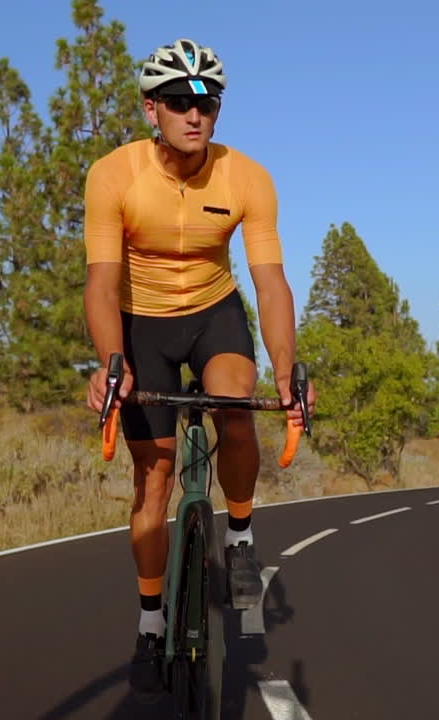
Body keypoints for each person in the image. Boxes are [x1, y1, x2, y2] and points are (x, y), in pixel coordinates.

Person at [82, 38, 316, 701]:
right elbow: (101, 284)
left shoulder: (246, 177)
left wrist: (286, 369)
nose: (194, 114)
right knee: (153, 478)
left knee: (236, 412)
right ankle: (150, 621)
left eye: (207, 103)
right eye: (179, 102)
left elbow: (270, 283)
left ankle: (239, 537)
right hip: (142, 323)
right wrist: (112, 363)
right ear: (150, 109)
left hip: (214, 314)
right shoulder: (113, 175)